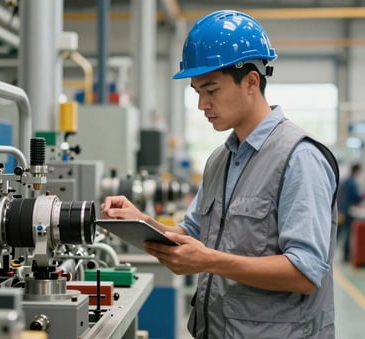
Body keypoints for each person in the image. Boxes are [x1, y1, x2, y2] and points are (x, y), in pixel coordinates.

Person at [101, 10, 339, 339]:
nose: (202, 104)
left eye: (210, 90)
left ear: (251, 82)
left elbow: (303, 272)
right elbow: (193, 236)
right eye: (197, 91)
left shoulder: (299, 158)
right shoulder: (220, 160)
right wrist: (141, 222)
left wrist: (209, 261)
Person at [337, 162, 363, 262]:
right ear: (356, 170)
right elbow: (356, 196)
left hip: (341, 211)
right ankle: (346, 254)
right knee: (347, 232)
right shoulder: (351, 182)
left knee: (338, 232)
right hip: (347, 212)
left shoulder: (345, 180)